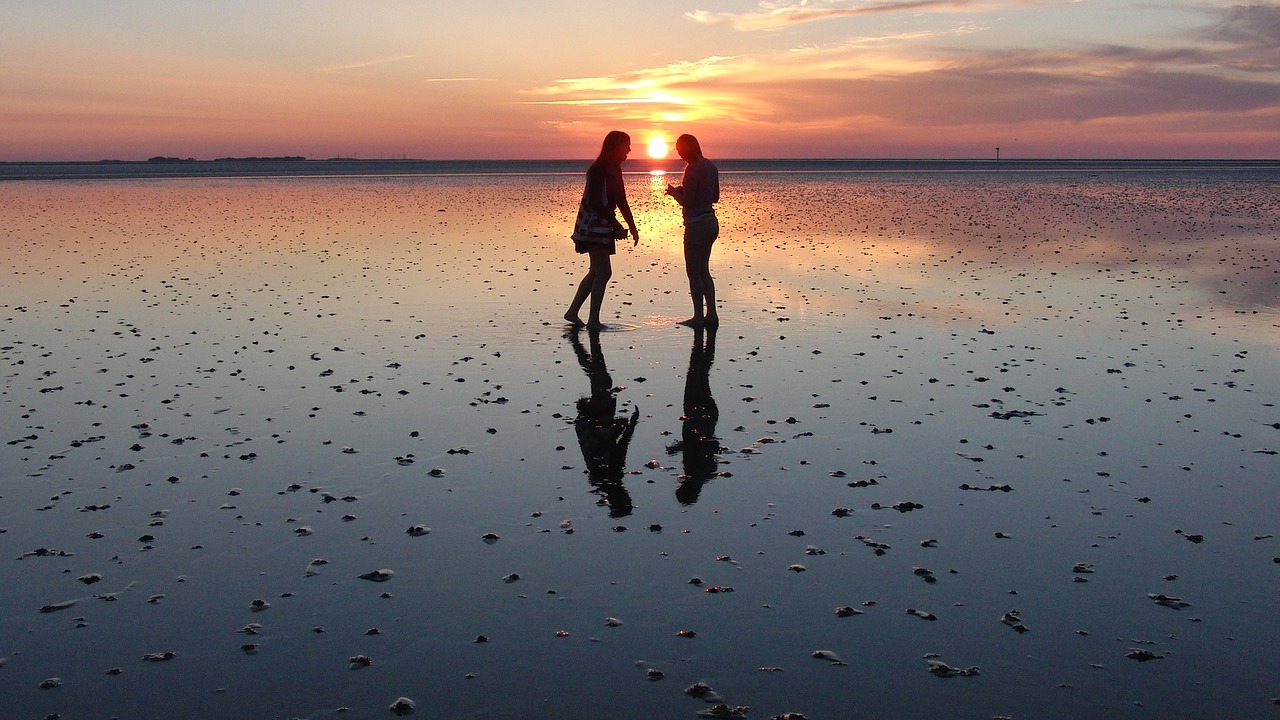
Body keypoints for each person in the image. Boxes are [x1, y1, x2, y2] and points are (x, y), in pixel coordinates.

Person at [565, 131, 640, 330]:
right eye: (627, 145)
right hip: (591, 226)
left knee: (596, 271)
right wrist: (616, 225)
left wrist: (632, 226)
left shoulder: (615, 169)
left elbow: (621, 199)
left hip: (603, 225)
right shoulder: (598, 170)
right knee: (604, 272)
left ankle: (573, 312)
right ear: (615, 147)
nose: (629, 150)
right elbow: (596, 202)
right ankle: (593, 321)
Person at [568, 328, 638, 517]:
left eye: (626, 499)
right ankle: (582, 344)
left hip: (595, 423)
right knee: (601, 380)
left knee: (601, 380)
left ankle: (578, 343)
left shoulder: (611, 477)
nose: (628, 495)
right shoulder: (600, 482)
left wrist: (630, 427)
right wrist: (622, 426)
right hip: (588, 424)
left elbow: (618, 448)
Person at [664, 134, 719, 326]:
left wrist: (674, 194)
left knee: (693, 272)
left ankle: (698, 316)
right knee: (704, 270)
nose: (679, 154)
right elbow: (714, 197)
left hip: (696, 224)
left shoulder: (692, 169)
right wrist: (685, 190)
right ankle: (711, 314)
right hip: (711, 221)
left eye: (679, 150)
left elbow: (687, 201)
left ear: (686, 149)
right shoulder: (711, 166)